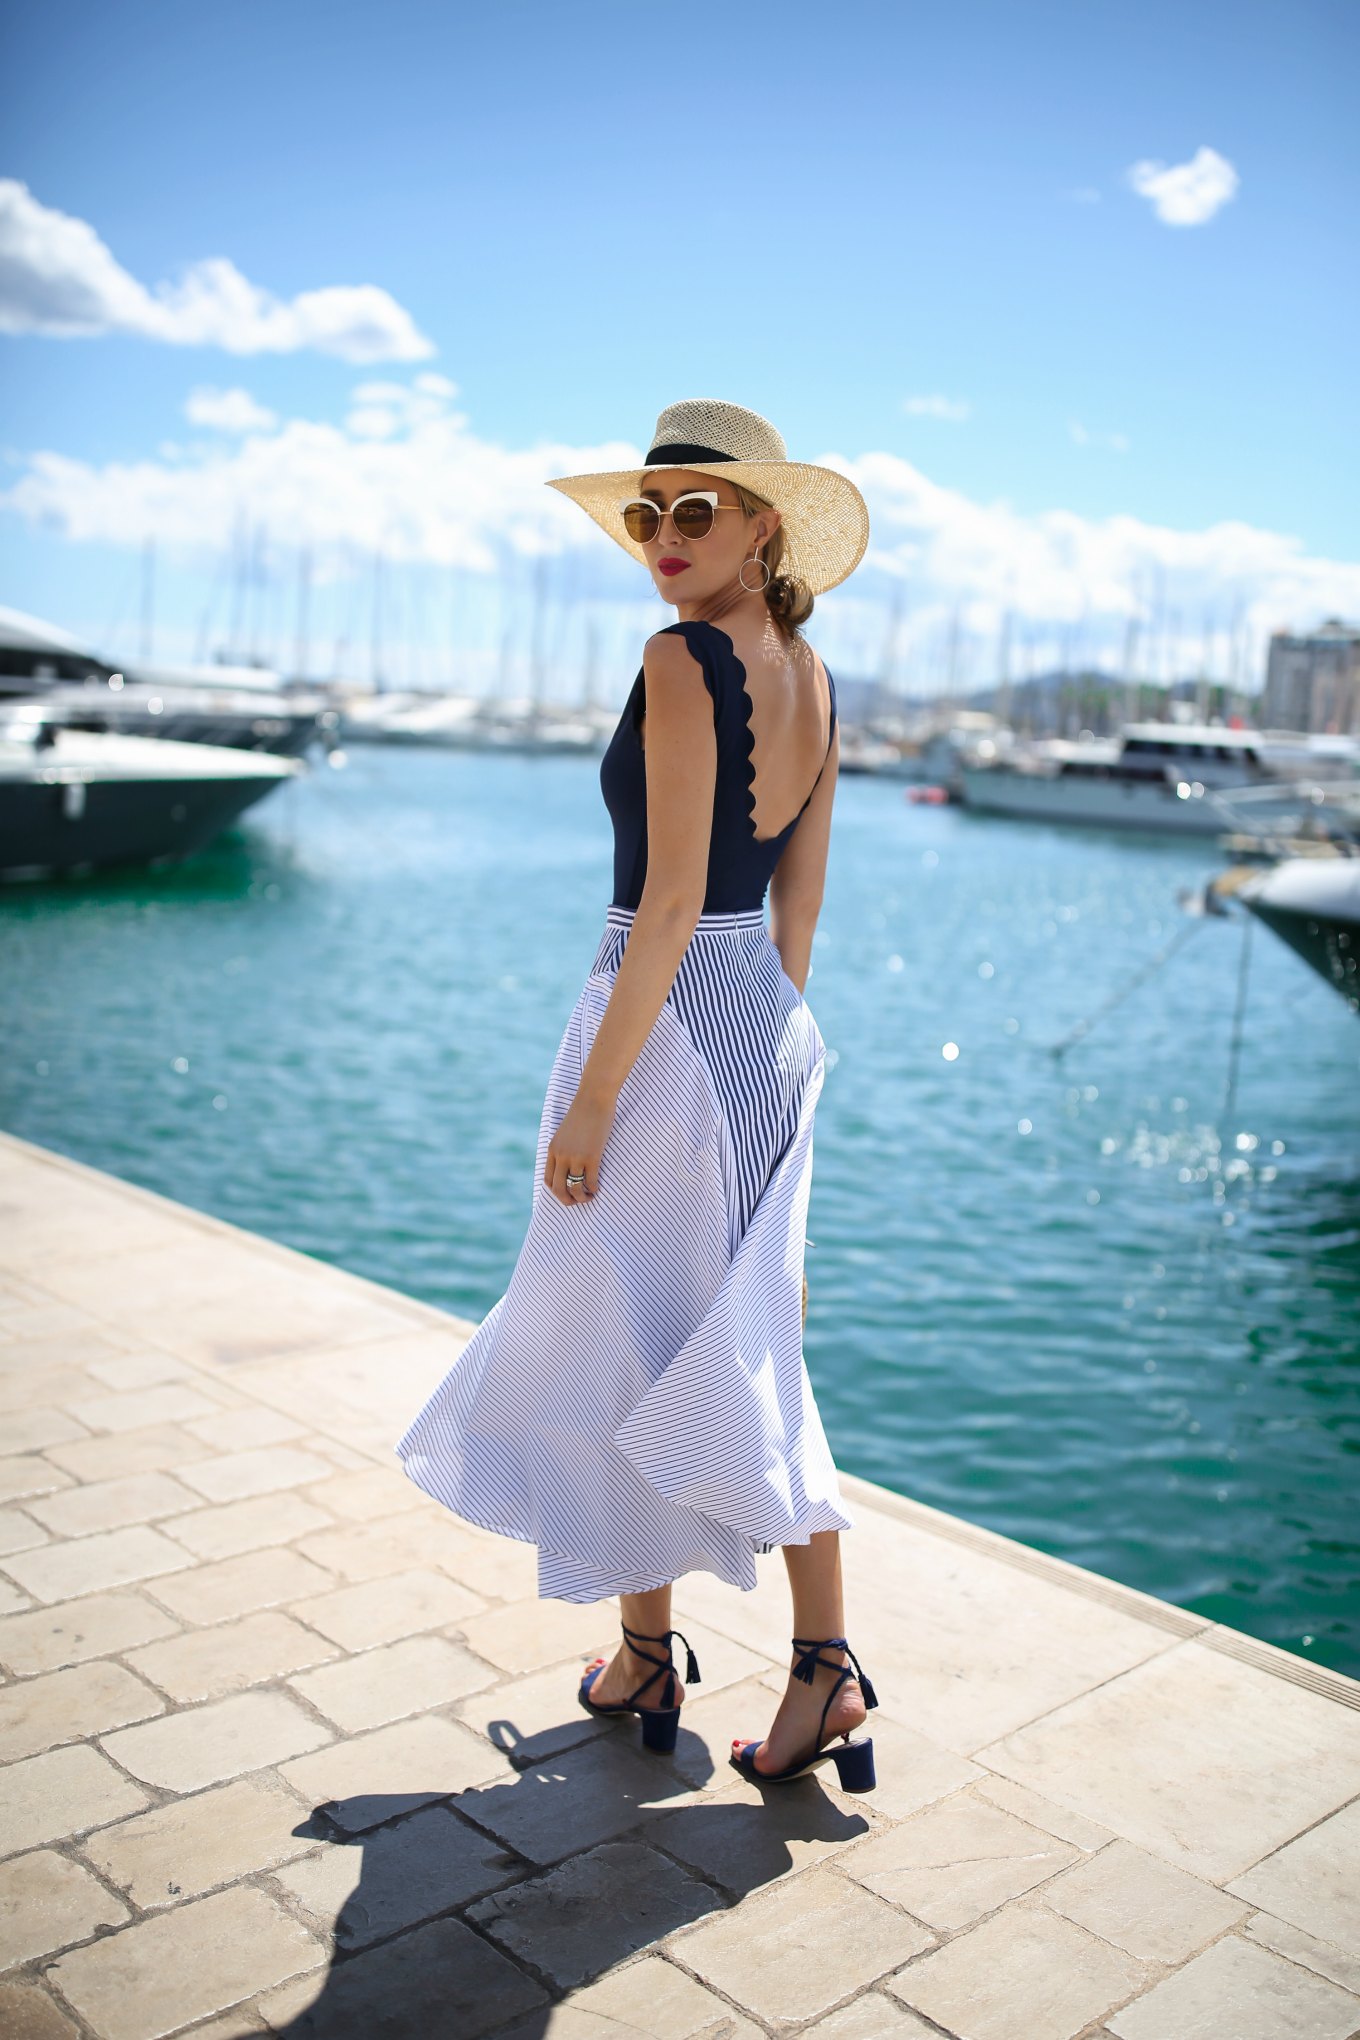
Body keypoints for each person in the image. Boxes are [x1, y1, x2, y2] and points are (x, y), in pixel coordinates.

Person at [397, 398, 878, 1792]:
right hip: (766, 1033)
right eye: (648, 514)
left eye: (696, 512)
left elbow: (669, 901)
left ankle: (716, 1659)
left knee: (625, 1337)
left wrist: (601, 1096)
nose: (664, 538)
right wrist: (767, 1045)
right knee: (724, 1343)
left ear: (762, 525)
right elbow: (798, 909)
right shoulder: (816, 675)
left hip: (661, 1024)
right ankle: (752, 1659)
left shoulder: (681, 662)